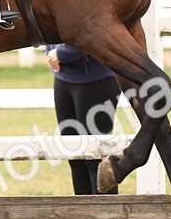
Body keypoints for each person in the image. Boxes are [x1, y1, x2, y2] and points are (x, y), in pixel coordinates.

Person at [46, 43, 122, 195]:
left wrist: (62, 53)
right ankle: (86, 215)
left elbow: (94, 26)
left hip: (96, 80)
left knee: (97, 161)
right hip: (63, 77)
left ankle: (106, 216)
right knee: (75, 159)